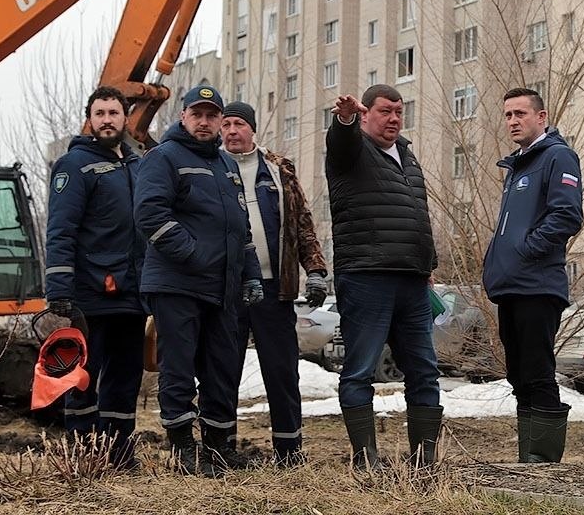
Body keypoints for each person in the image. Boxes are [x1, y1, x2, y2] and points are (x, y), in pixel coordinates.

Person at [134, 84, 263, 477]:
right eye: (198, 114)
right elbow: (150, 216)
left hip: (221, 288)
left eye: (212, 116)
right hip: (177, 285)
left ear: (221, 122)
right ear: (183, 117)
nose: (205, 122)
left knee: (221, 368)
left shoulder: (226, 165)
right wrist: (193, 254)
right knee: (179, 369)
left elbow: (239, 227)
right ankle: (183, 450)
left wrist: (251, 274)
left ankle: (218, 450)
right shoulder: (162, 158)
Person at [325, 85, 443, 468]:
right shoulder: (352, 150)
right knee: (361, 369)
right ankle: (365, 458)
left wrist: (428, 265)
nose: (393, 118)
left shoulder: (407, 156)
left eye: (399, 111)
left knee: (424, 370)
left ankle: (423, 460)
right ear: (365, 115)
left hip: (411, 278)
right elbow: (340, 141)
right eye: (384, 111)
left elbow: (417, 215)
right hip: (366, 275)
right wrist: (343, 120)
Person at [220, 101, 329, 466]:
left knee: (282, 372)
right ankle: (222, 451)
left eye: (239, 124)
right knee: (222, 371)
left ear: (252, 130)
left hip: (273, 288)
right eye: (226, 124)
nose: (231, 131)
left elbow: (302, 222)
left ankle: (289, 454)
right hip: (226, 291)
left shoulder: (278, 169)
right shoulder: (210, 167)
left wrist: (315, 270)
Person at [44, 85, 146, 469]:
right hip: (91, 294)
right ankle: (83, 457)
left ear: (125, 118)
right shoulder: (75, 165)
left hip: (132, 293)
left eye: (113, 113)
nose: (107, 120)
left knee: (125, 378)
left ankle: (119, 456)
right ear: (90, 119)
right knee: (84, 376)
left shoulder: (137, 165)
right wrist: (59, 290)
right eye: (99, 113)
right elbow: (61, 230)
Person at [483, 87, 584, 463]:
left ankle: (544, 462)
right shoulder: (519, 164)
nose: (513, 121)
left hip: (537, 286)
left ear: (541, 117)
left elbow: (566, 215)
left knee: (538, 374)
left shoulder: (557, 156)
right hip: (511, 287)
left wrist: (526, 252)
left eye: (520, 113)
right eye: (508, 114)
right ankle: (529, 460)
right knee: (519, 376)